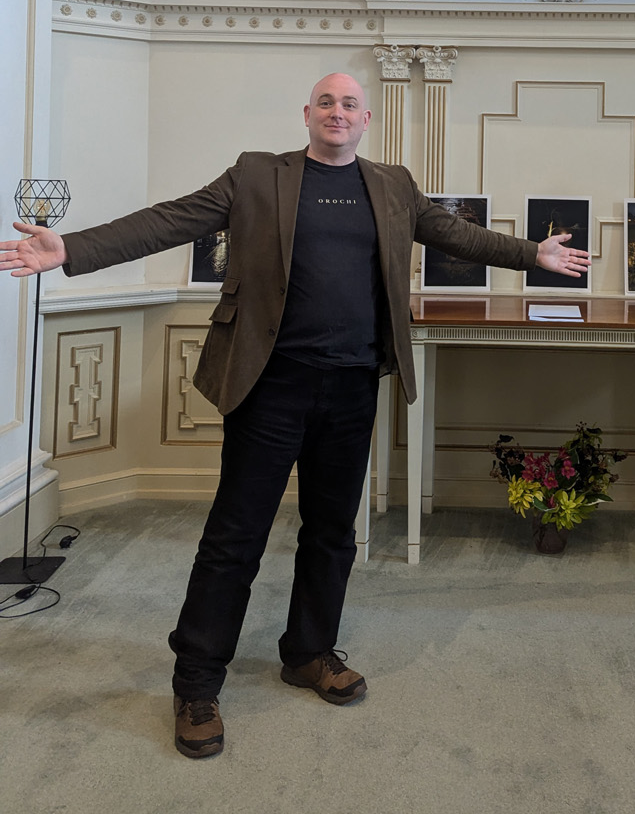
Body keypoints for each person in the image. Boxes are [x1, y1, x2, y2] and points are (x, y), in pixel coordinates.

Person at [0, 73, 589, 759]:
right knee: (235, 536)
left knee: (333, 530)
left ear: (366, 118)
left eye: (349, 104)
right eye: (326, 102)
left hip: (351, 386)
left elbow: (456, 235)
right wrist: (71, 248)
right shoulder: (256, 176)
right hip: (269, 386)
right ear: (307, 114)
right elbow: (171, 218)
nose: (338, 112)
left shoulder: (392, 185)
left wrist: (533, 255)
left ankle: (308, 651)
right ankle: (196, 680)